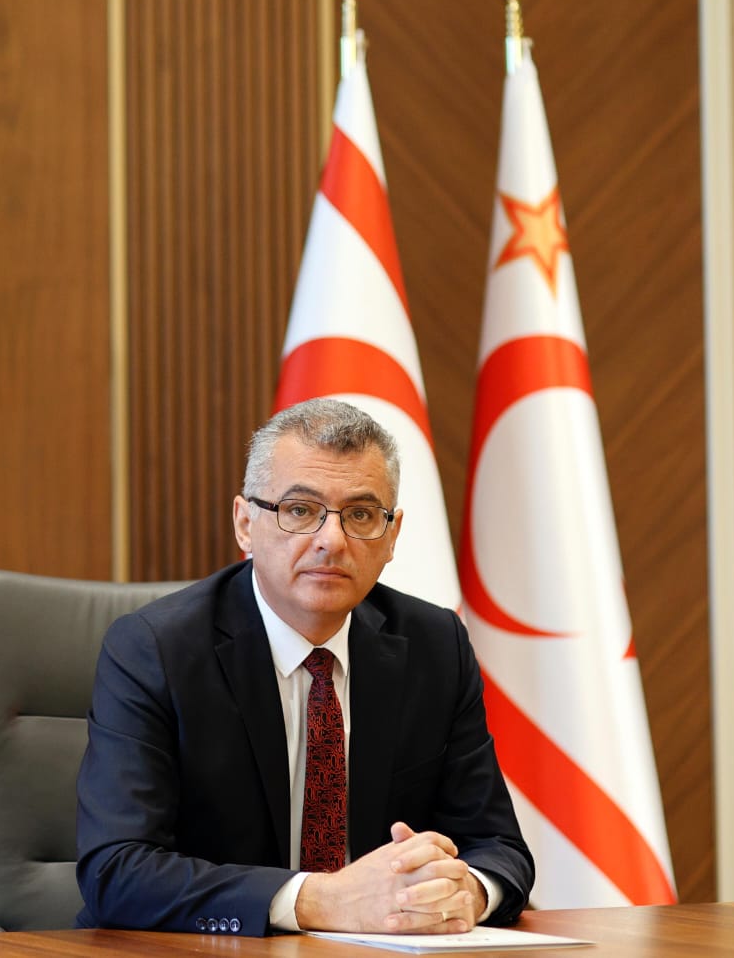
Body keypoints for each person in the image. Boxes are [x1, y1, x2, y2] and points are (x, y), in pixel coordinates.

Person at [75, 398, 533, 935]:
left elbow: (498, 847)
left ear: (392, 536)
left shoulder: (435, 645)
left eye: (360, 515)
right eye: (299, 510)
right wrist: (318, 900)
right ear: (245, 524)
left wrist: (464, 892)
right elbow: (117, 870)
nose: (331, 541)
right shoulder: (156, 649)